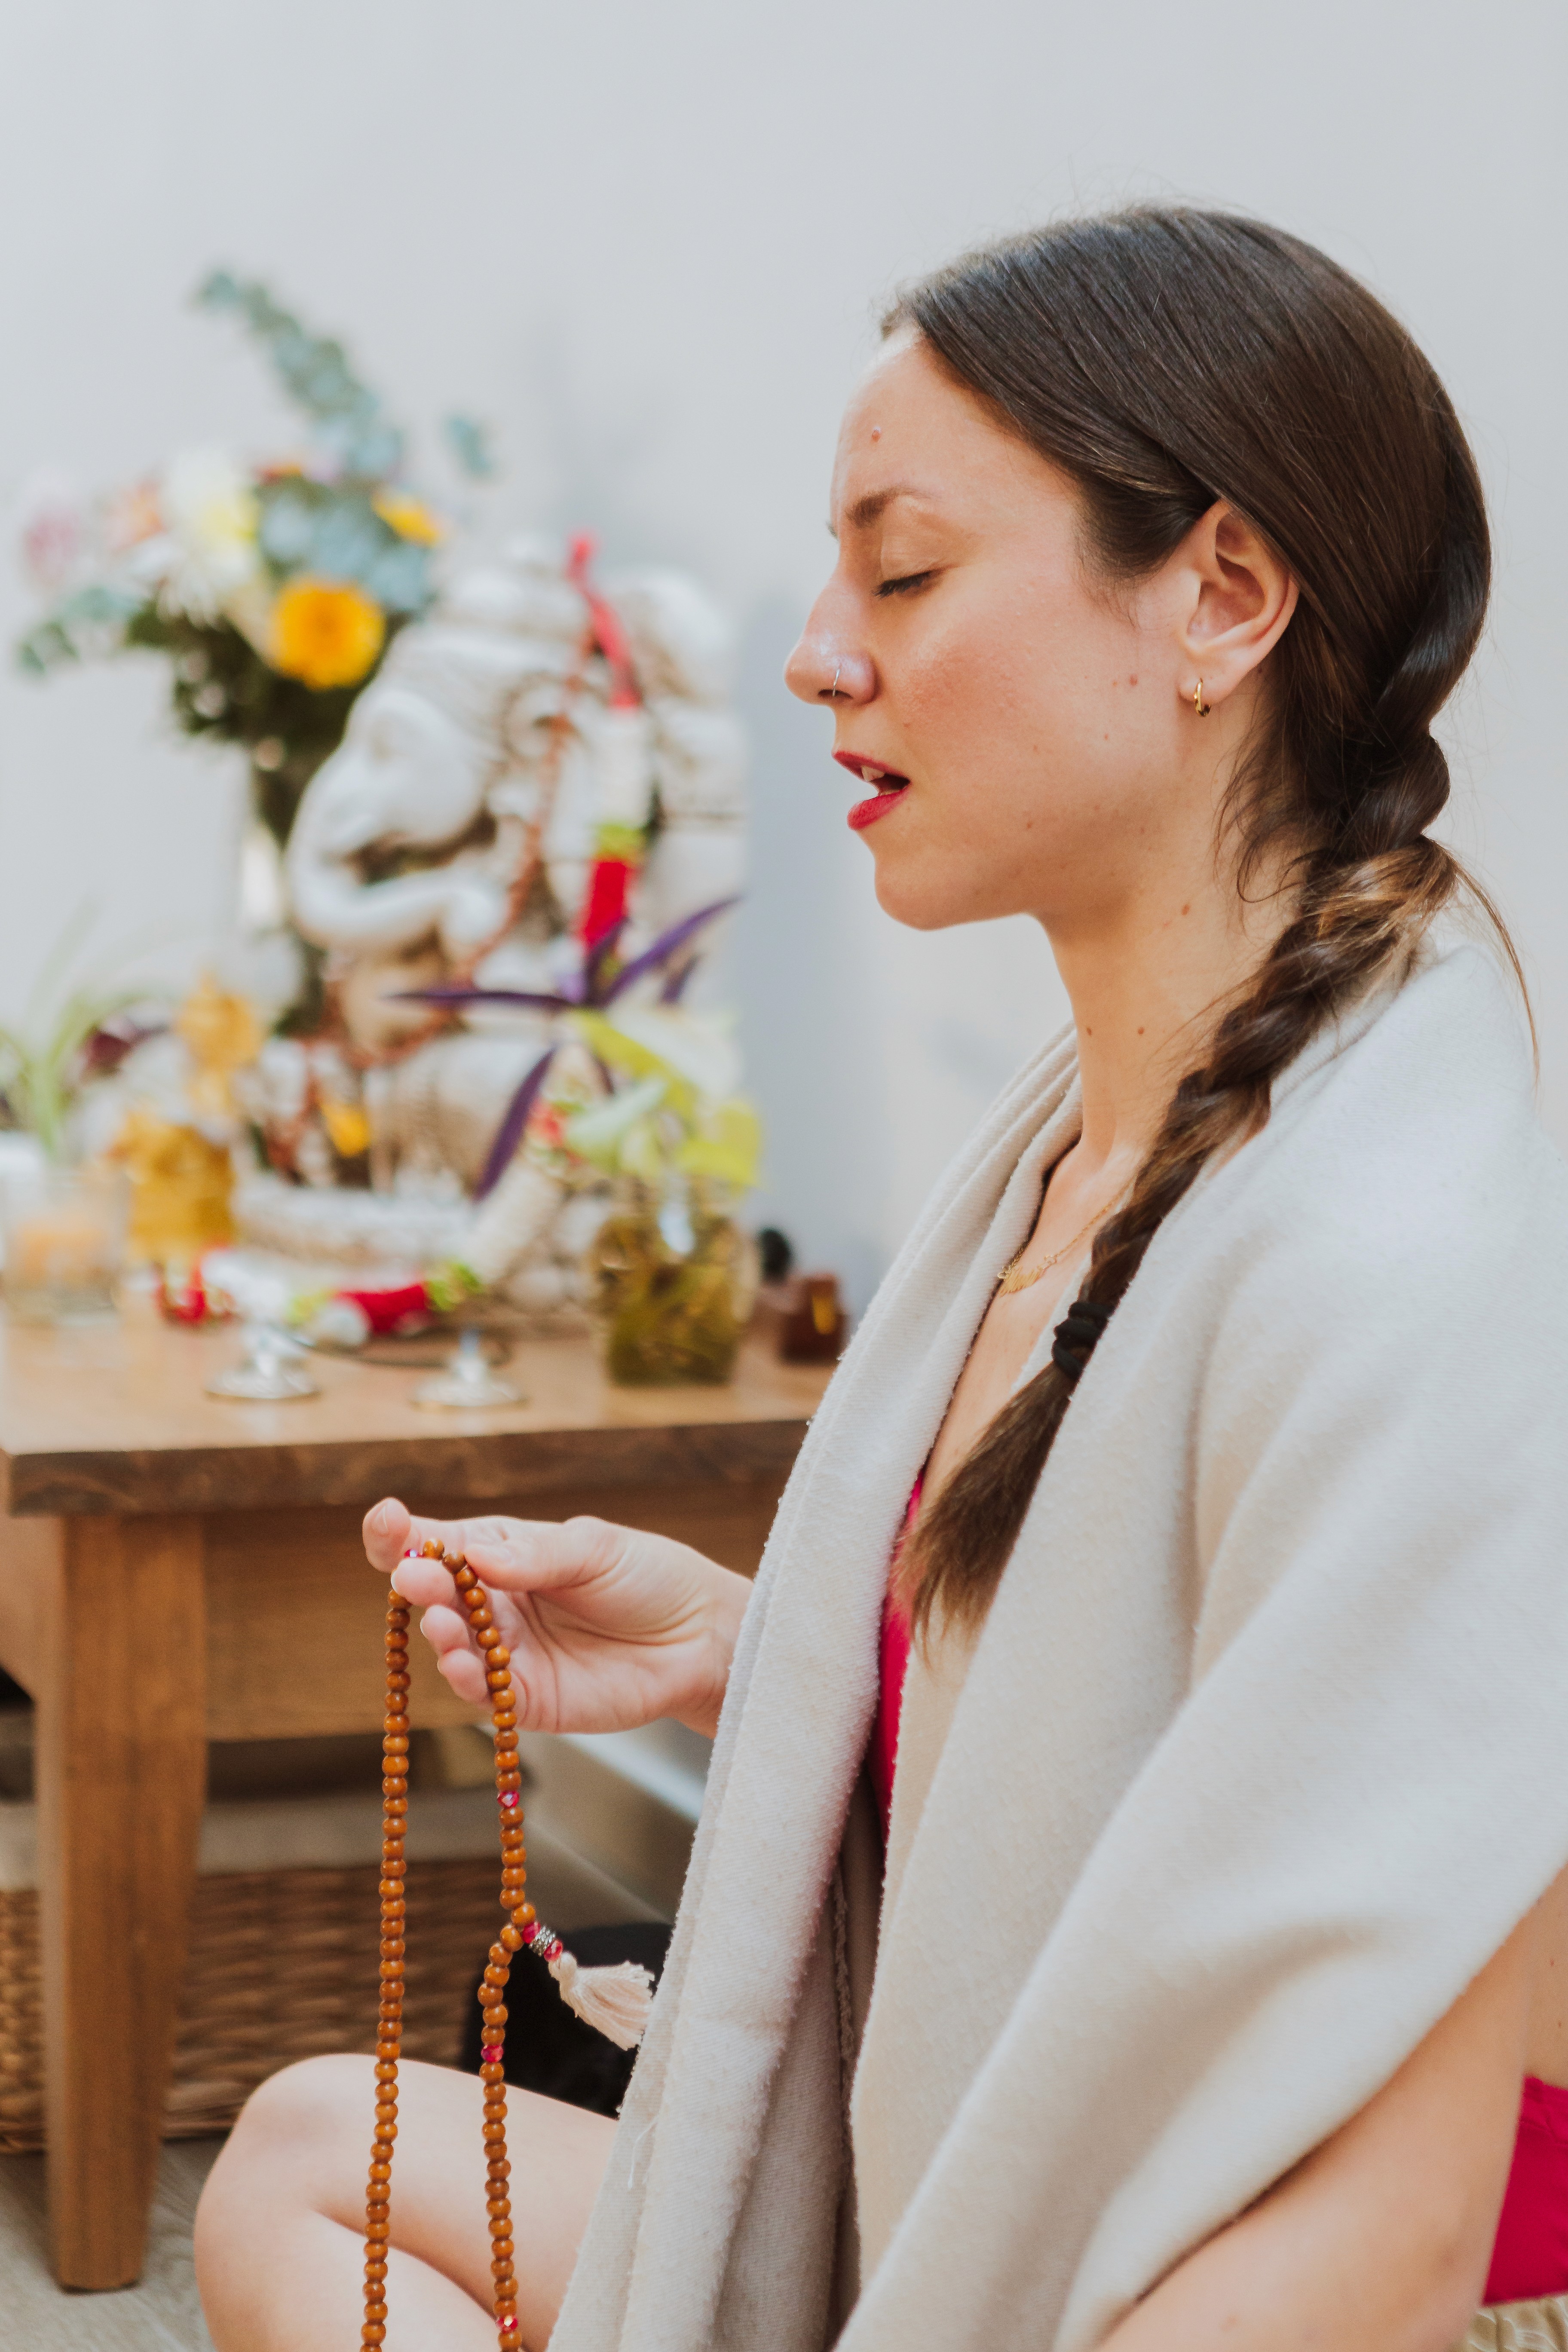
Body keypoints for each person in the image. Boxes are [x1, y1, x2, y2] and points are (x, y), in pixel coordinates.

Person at [195, 208, 1568, 2352]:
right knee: (301, 2158)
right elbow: (1116, 1748)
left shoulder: (1406, 1266)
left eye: (903, 570)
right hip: (977, 2189)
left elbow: (1371, 2261)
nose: (817, 649)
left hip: (1270, 2305)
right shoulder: (1087, 1139)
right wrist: (760, 1656)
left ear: (1219, 596)